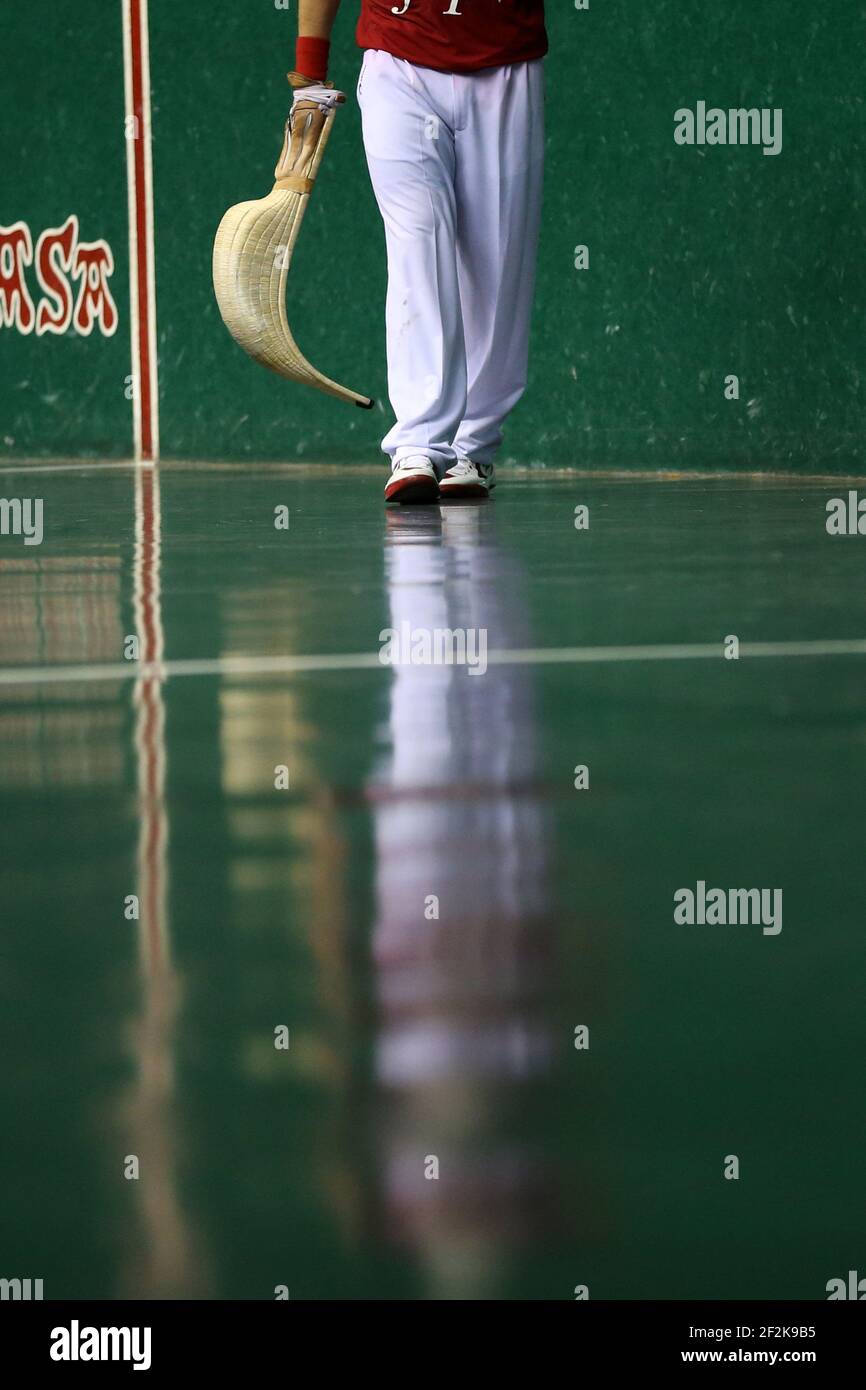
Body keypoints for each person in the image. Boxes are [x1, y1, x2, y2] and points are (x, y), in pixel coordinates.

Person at [292, 1, 547, 503]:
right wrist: (309, 72)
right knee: (417, 240)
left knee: (497, 265)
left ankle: (473, 444)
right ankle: (419, 442)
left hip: (505, 65)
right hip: (398, 63)